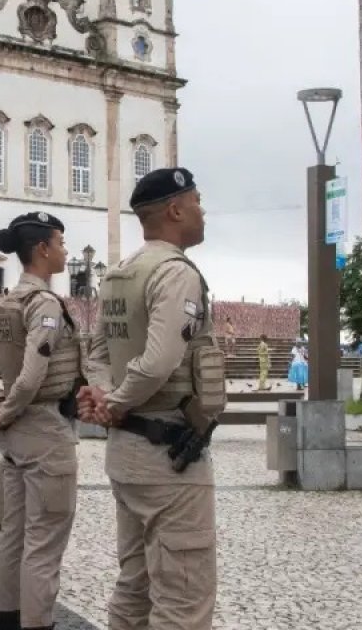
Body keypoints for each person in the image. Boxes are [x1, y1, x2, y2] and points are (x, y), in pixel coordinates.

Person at [76, 167, 222, 630]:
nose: (202, 210)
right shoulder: (174, 274)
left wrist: (103, 394)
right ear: (175, 210)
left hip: (128, 454)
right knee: (182, 597)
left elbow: (96, 351)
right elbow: (159, 363)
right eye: (197, 201)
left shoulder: (119, 275)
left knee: (134, 587)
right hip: (168, 454)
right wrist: (114, 402)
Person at [0, 212, 82, 630]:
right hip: (44, 429)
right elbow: (35, 373)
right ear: (43, 249)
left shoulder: (4, 304)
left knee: (14, 536)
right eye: (62, 242)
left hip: (15, 435)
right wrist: (6, 411)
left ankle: (8, 622)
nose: (66, 250)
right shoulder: (44, 304)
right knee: (44, 543)